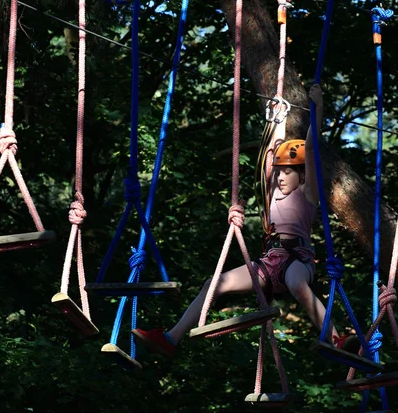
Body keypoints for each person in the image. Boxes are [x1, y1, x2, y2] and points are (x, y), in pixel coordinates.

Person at [132, 84, 358, 357]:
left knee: (298, 285)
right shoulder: (273, 193)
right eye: (280, 172)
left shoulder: (308, 195)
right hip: (268, 262)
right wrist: (279, 117)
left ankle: (336, 338)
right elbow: (271, 152)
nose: (282, 177)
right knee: (214, 283)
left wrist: (318, 107)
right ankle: (171, 337)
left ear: (301, 175)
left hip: (298, 260)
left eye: (289, 172)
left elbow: (310, 149)